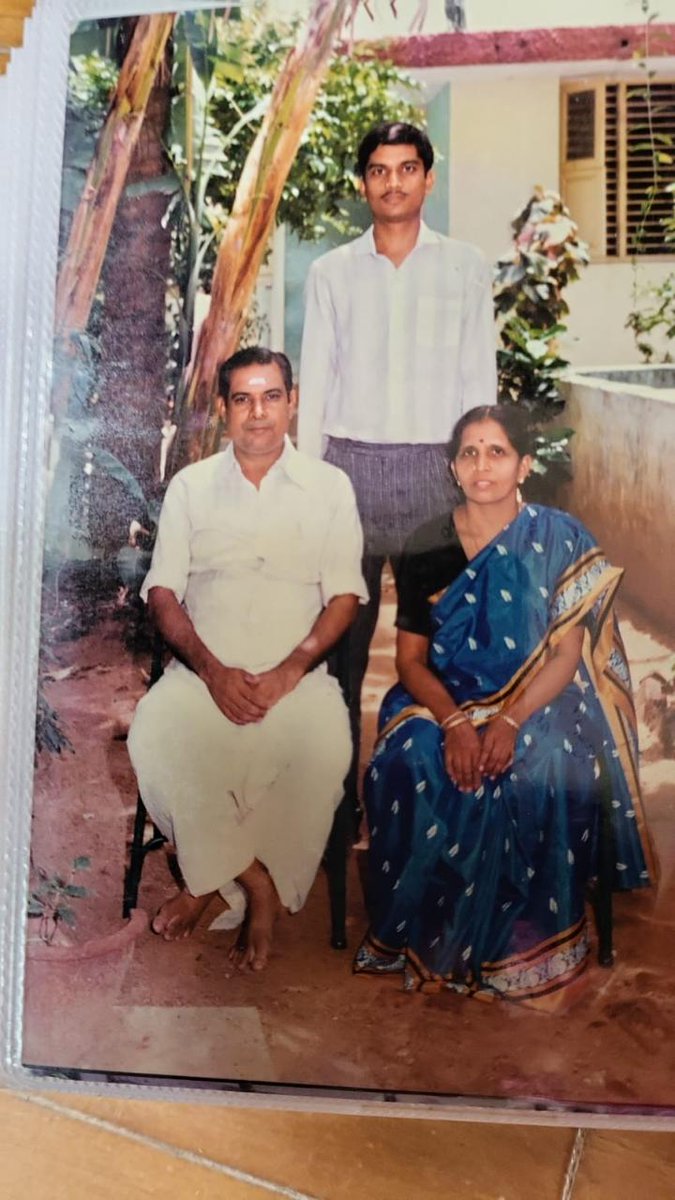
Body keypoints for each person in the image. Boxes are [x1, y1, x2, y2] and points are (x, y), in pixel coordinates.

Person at [354, 405, 655, 1004]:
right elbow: (411, 662)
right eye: (469, 452)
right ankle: (429, 928)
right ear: (452, 467)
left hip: (542, 697)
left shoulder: (559, 538)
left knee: (544, 759)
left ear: (524, 465)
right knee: (412, 758)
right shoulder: (426, 544)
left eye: (496, 451)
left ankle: (523, 944)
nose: (482, 464)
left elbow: (566, 656)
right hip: (446, 697)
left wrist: (512, 720)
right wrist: (458, 722)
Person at [127, 347, 367, 971]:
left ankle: (204, 880)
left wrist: (291, 670)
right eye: (242, 399)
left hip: (296, 682)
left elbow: (344, 595)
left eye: (270, 397)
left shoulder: (330, 488)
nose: (257, 413)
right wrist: (211, 672)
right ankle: (252, 884)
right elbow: (162, 593)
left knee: (322, 749)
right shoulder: (191, 487)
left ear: (292, 403)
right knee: (158, 732)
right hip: (204, 673)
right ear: (224, 410)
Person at [297, 120, 497, 820]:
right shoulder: (331, 273)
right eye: (378, 171)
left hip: (430, 482)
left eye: (405, 169)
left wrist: (476, 474)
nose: (392, 182)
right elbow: (316, 385)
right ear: (363, 184)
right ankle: (334, 806)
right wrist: (310, 483)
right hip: (348, 472)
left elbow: (479, 383)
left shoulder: (466, 267)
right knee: (340, 656)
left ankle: (429, 803)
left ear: (427, 178)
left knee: (436, 650)